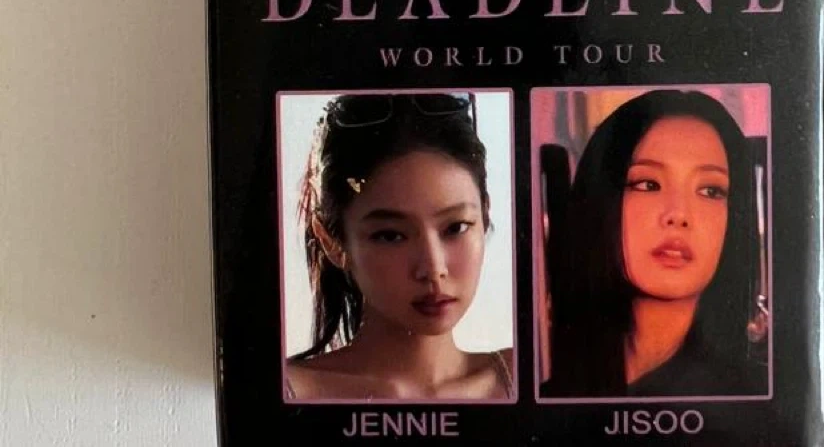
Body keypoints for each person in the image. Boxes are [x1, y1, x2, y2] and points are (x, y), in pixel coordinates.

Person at [286, 93, 513, 401]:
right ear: (332, 242)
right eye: (390, 235)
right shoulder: (287, 394)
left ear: (485, 214)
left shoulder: (533, 378)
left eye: (456, 227)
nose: (433, 268)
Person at [542, 89, 766, 398]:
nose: (678, 215)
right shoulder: (545, 395)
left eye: (711, 191)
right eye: (648, 184)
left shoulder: (757, 399)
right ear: (602, 199)